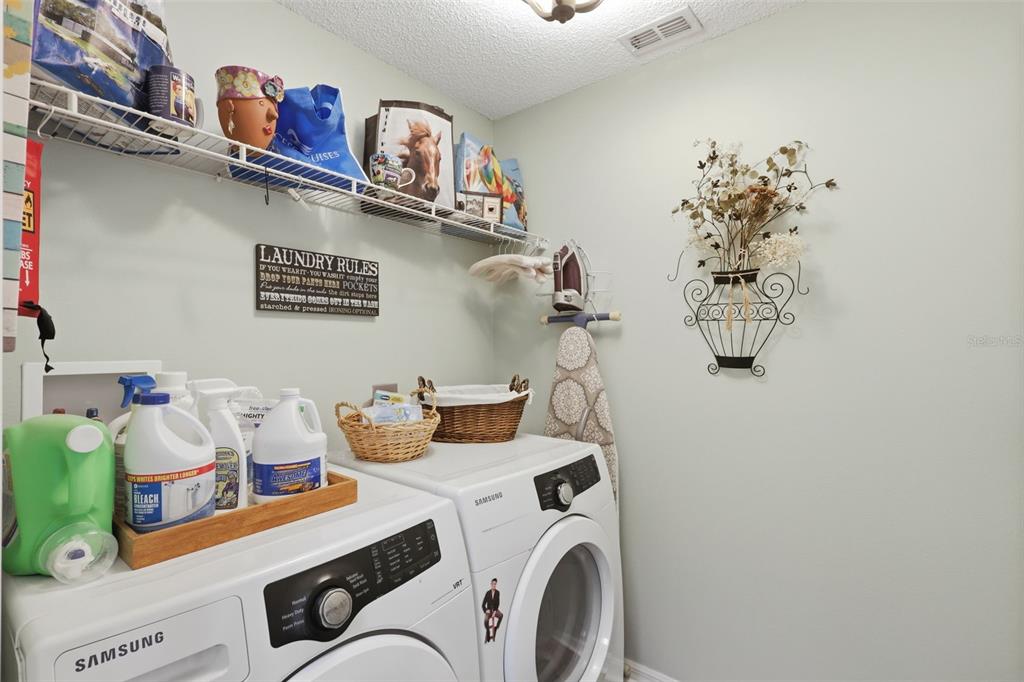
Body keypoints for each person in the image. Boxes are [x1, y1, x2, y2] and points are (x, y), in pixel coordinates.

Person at [482, 578, 502, 643]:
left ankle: (496, 628)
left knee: (501, 615)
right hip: (489, 610)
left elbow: (498, 603)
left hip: (495, 610)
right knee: (485, 621)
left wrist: (495, 611)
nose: (494, 585)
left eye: (495, 584)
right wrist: (486, 610)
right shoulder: (487, 593)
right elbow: (483, 604)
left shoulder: (497, 592)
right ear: (491, 584)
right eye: (493, 584)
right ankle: (488, 631)